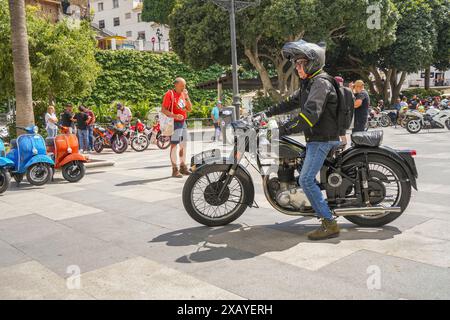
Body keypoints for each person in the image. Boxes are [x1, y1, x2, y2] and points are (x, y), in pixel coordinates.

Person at [263, 39, 342, 241]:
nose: (297, 67)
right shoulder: (311, 83)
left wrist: (282, 129)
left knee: (306, 179)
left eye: (300, 63)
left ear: (312, 63)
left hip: (322, 139)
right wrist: (266, 114)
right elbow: (290, 102)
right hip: (317, 138)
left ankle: (329, 223)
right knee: (300, 172)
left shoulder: (320, 83)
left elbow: (309, 115)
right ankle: (310, 202)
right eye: (296, 63)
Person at [161, 77, 192, 178]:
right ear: (176, 85)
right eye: (182, 85)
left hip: (183, 123)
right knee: (174, 146)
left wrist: (187, 97)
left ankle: (183, 166)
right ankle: (175, 169)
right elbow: (163, 110)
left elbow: (190, 109)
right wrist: (175, 116)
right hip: (174, 123)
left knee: (184, 145)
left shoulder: (184, 94)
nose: (184, 87)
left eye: (185, 85)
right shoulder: (169, 94)